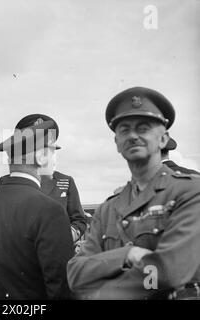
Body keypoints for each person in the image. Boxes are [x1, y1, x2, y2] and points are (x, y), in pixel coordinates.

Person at [67, 87, 200, 300]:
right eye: (124, 129)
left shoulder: (190, 192)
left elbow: (172, 272)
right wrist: (126, 255)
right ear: (117, 143)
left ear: (164, 139)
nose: (133, 135)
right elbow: (75, 273)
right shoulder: (108, 209)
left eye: (143, 128)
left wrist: (97, 293)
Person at [0, 116, 75, 300]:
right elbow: (62, 285)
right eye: (51, 151)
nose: (54, 157)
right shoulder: (50, 211)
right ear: (39, 157)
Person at [0, 114, 87, 242]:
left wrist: (63, 237)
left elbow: (79, 220)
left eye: (51, 151)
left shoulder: (66, 181)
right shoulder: (7, 181)